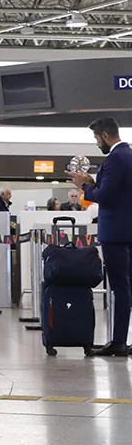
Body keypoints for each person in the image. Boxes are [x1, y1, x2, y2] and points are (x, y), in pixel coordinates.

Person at [68, 117, 132, 357]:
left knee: (120, 287)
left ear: (105, 135)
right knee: (129, 286)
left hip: (115, 231)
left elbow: (105, 196)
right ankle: (121, 340)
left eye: (96, 138)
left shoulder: (115, 158)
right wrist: (91, 182)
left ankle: (118, 341)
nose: (97, 144)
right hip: (129, 229)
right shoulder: (129, 155)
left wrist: (84, 187)